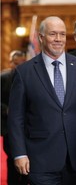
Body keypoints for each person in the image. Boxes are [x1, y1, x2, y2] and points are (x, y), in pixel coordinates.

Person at [8, 16, 76, 185]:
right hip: (40, 158)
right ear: (41, 37)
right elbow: (16, 118)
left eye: (62, 34)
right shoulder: (24, 72)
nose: (58, 39)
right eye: (53, 34)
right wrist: (19, 153)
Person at [1, 50, 27, 185]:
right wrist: (6, 109)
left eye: (22, 63)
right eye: (16, 64)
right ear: (11, 63)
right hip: (9, 128)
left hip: (28, 128)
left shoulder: (30, 77)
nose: (18, 67)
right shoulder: (3, 77)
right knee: (12, 160)